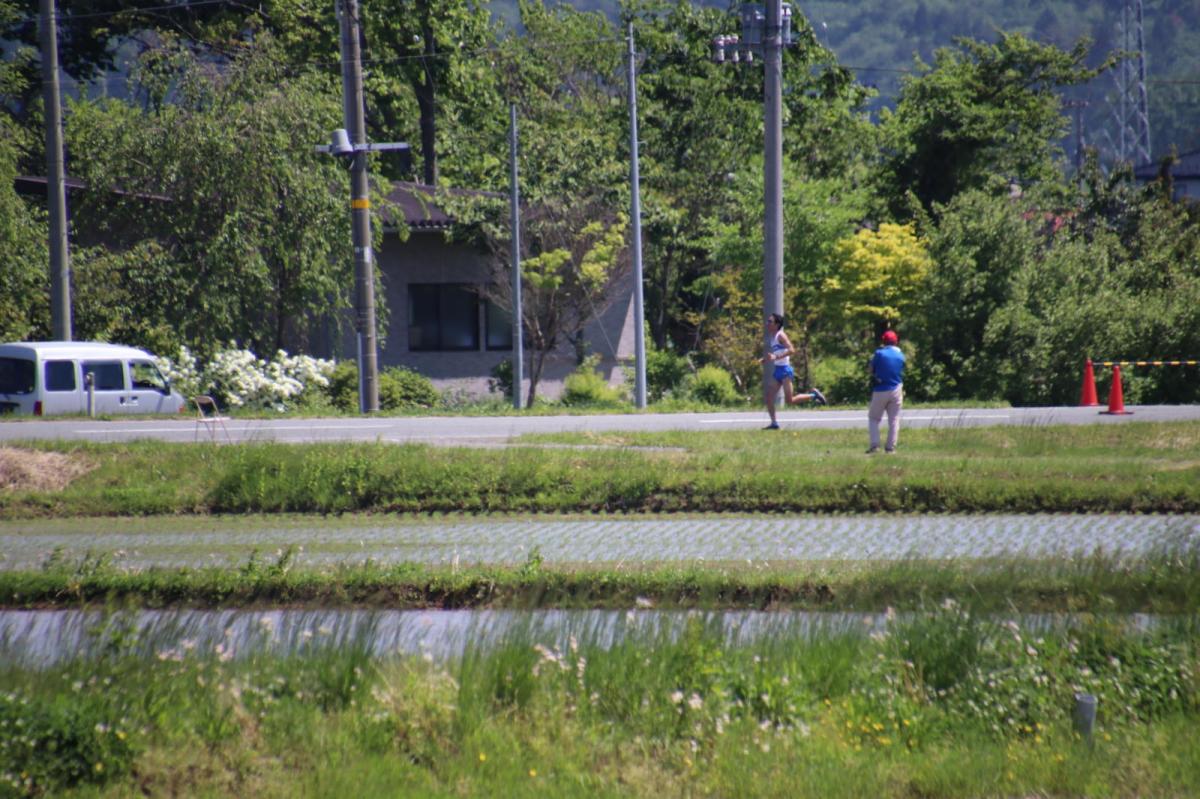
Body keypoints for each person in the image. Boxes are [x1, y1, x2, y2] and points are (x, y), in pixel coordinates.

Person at [760, 313, 826, 429]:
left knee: (790, 400)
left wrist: (775, 358)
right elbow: (777, 353)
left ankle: (813, 395)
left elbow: (791, 349)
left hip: (785, 370)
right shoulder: (772, 337)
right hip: (778, 370)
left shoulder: (781, 335)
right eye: (768, 321)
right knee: (768, 397)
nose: (767, 324)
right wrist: (766, 359)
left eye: (770, 321)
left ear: (777, 324)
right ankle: (774, 423)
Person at [867, 329, 905, 453]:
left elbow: (870, 369)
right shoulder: (901, 355)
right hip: (896, 388)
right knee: (894, 419)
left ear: (884, 341)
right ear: (896, 341)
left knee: (874, 418)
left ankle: (875, 446)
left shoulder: (879, 353)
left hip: (880, 389)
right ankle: (890, 447)